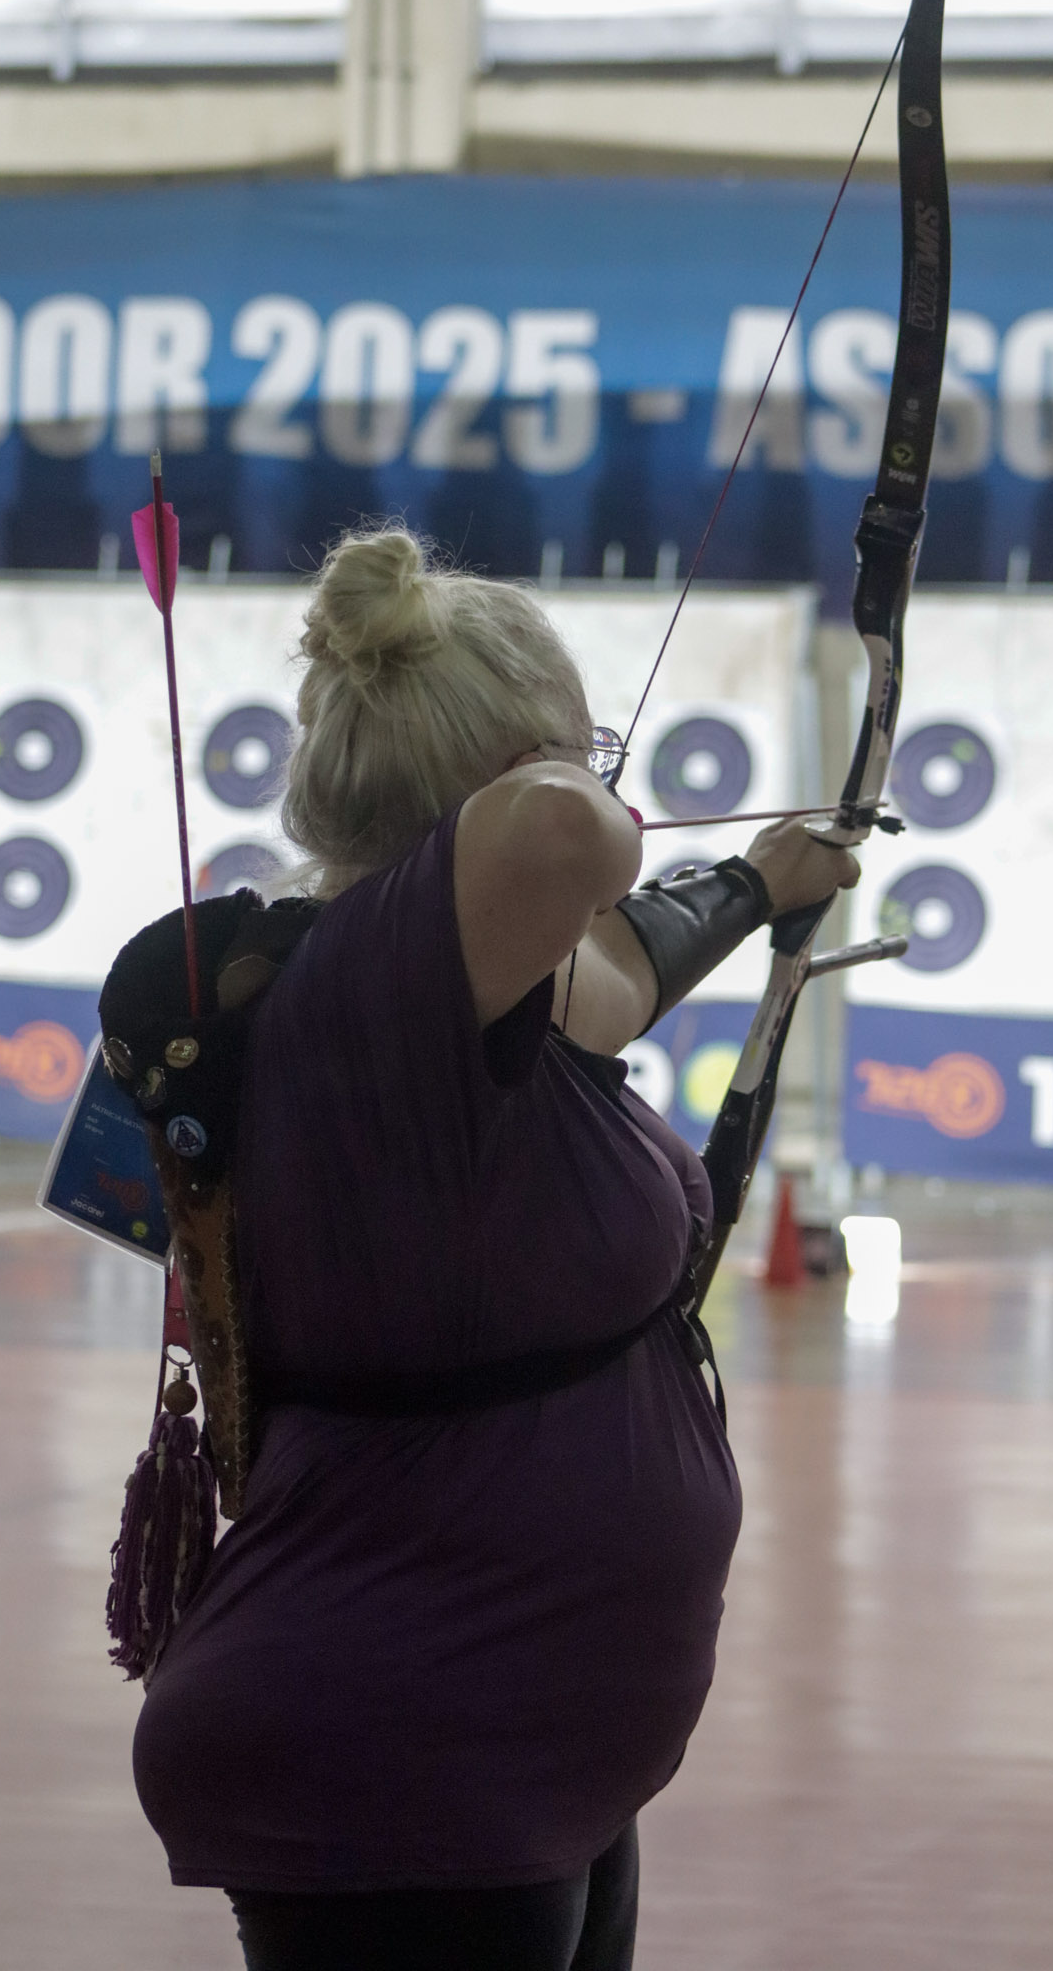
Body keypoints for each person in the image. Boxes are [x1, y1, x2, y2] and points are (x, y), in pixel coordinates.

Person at [129, 529, 858, 1971]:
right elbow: (562, 838)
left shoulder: (444, 1002)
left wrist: (755, 885)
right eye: (587, 747)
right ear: (515, 763)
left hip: (516, 1746)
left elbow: (617, 974)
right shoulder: (371, 991)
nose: (606, 783)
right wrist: (569, 773)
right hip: (401, 1748)